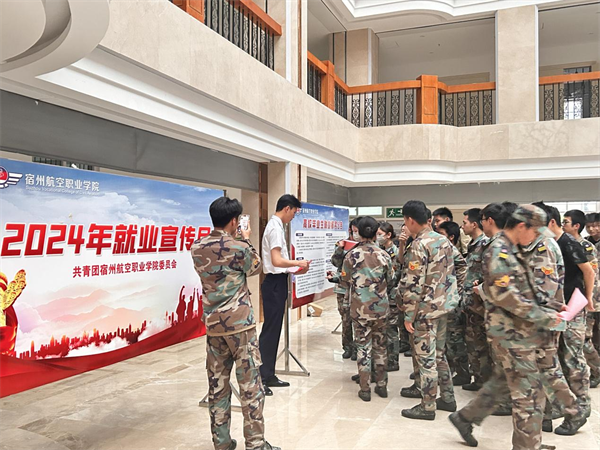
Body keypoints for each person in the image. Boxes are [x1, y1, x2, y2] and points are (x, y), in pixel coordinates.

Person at [449, 205, 561, 450]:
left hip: (524, 328)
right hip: (515, 330)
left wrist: (552, 308)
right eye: (535, 230)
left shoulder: (523, 246)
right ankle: (527, 445)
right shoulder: (501, 248)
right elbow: (508, 294)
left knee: (508, 382)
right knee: (527, 391)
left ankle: (467, 417)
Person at [190, 197, 280, 450]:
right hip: (240, 327)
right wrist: (246, 239)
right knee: (250, 387)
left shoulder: (197, 247)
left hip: (213, 326)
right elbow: (256, 268)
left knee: (217, 386)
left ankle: (222, 443)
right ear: (234, 221)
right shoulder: (239, 247)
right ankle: (255, 444)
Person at [521, 204, 587, 436]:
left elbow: (546, 291)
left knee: (556, 367)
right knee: (545, 369)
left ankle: (575, 411)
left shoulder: (548, 246)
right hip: (547, 316)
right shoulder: (537, 244)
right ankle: (546, 417)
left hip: (552, 317)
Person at [398, 200, 458, 420]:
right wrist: (451, 291)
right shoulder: (443, 240)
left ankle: (428, 406)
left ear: (410, 220)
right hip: (443, 307)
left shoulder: (419, 245)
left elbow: (414, 285)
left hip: (425, 311)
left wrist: (408, 316)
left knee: (426, 359)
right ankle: (448, 398)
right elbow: (461, 264)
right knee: (439, 355)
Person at [539, 203, 595, 418]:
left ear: (551, 222)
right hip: (557, 308)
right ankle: (561, 405)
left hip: (574, 306)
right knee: (558, 358)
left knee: (573, 358)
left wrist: (588, 298)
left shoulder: (568, 243)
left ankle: (582, 405)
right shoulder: (548, 244)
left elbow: (588, 272)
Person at [259, 194, 310, 396]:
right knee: (270, 332)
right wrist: (297, 263)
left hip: (278, 281)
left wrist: (296, 268)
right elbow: (277, 261)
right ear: (287, 208)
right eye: (294, 213)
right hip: (273, 283)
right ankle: (261, 378)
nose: (293, 217)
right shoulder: (275, 227)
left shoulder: (277, 226)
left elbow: (280, 263)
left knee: (274, 331)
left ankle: (269, 374)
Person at [342, 216, 394, 402]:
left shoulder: (351, 255)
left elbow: (345, 280)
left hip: (360, 309)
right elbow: (391, 279)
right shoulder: (384, 255)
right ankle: (382, 385)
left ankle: (365, 389)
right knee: (380, 347)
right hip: (381, 309)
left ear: (359, 232)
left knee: (363, 347)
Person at [563, 209, 600, 389]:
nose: (563, 226)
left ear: (576, 226)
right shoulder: (564, 243)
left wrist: (590, 299)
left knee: (584, 339)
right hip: (573, 299)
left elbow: (592, 275)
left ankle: (597, 370)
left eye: (566, 222)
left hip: (585, 300)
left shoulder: (585, 246)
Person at [461, 208, 492, 392]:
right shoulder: (472, 245)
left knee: (482, 345)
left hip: (480, 302)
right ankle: (478, 378)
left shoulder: (485, 244)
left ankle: (485, 382)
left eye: (465, 222)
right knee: (473, 343)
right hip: (470, 302)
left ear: (474, 224)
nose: (462, 226)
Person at [438, 221, 470, 387]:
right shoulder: (441, 249)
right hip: (443, 300)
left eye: (441, 234)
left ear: (450, 237)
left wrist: (457, 290)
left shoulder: (450, 249)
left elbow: (462, 267)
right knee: (447, 340)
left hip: (452, 301)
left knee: (455, 339)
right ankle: (450, 371)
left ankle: (463, 373)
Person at [329, 217, 362, 360]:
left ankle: (358, 348)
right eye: (354, 230)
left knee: (358, 320)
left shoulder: (364, 245)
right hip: (343, 288)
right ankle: (347, 347)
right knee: (345, 319)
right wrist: (340, 249)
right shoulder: (342, 244)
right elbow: (335, 262)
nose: (356, 233)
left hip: (358, 288)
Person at [377, 221, 402, 371]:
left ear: (388, 235)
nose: (377, 237)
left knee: (392, 330)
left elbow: (395, 276)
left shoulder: (396, 252)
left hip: (391, 296)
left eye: (380, 234)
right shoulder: (379, 251)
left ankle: (393, 361)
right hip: (380, 297)